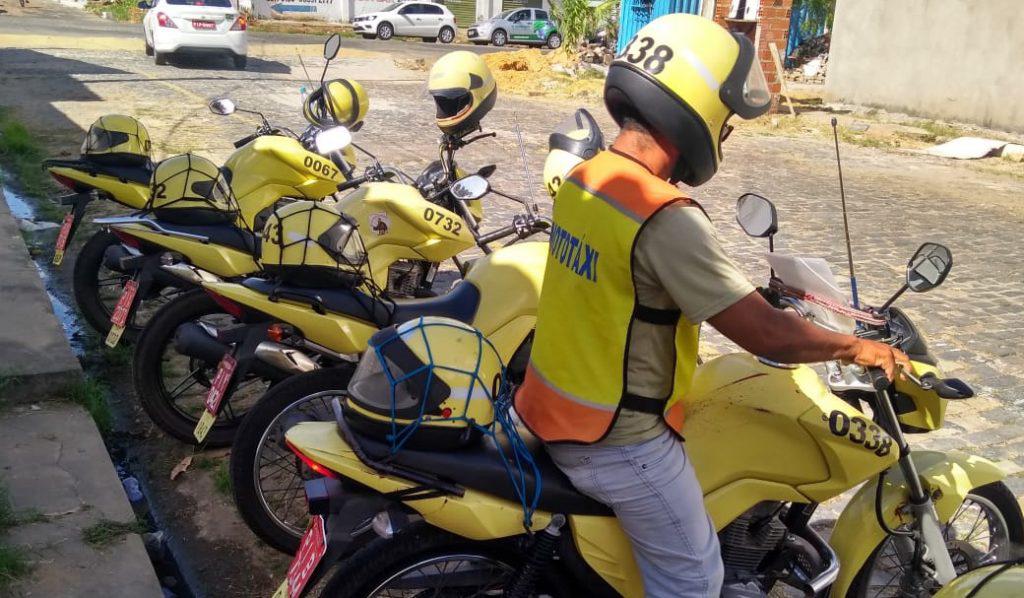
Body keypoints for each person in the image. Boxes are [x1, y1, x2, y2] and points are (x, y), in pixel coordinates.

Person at [514, 14, 910, 598]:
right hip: (620, 444)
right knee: (696, 579)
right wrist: (857, 345)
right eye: (724, 121)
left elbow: (627, 284)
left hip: (549, 409)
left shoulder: (584, 177)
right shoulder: (663, 214)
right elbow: (766, 337)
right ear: (693, 105)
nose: (724, 135)